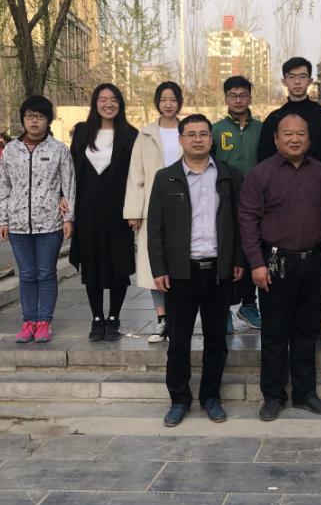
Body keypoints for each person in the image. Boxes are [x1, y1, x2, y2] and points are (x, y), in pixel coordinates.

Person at [148, 114, 245, 427]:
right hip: (181, 273)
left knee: (216, 340)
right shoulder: (166, 178)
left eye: (203, 134)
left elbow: (240, 222)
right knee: (178, 341)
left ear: (211, 138)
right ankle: (179, 399)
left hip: (217, 270)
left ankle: (211, 397)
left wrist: (237, 259)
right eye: (191, 134)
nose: (198, 139)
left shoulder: (229, 175)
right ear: (181, 140)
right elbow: (155, 228)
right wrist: (159, 268)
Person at [240, 114, 321, 421]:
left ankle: (306, 393)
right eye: (288, 134)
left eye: (300, 134)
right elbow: (248, 220)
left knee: (308, 331)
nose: (295, 139)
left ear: (309, 138)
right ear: (276, 139)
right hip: (275, 262)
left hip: (313, 261)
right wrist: (256, 264)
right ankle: (273, 395)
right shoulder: (260, 174)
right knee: (275, 333)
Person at [256, 56, 321, 342]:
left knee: (314, 265)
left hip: (317, 194)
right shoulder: (274, 119)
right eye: (291, 76)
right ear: (284, 81)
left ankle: (318, 318)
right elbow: (263, 161)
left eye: (302, 76)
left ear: (310, 81)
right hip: (282, 202)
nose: (297, 81)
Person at [0, 95, 75, 344]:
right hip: (18, 224)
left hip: (49, 224)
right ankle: (28, 321)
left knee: (46, 273)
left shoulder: (59, 150)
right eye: (30, 116)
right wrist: (2, 219)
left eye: (40, 117)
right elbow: (3, 186)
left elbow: (69, 185)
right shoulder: (10, 151)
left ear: (48, 121)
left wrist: (69, 217)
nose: (34, 121)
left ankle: (44, 322)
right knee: (27, 274)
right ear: (23, 119)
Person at [70, 83, 138, 342]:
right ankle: (97, 317)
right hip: (87, 209)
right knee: (92, 264)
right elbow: (71, 170)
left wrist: (135, 209)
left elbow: (136, 175)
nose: (108, 104)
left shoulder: (131, 135)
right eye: (103, 99)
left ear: (120, 104)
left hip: (119, 210)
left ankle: (114, 317)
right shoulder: (82, 132)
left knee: (118, 264)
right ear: (95, 103)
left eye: (114, 99)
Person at [125, 82, 184, 344]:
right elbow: (135, 174)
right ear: (157, 103)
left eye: (173, 99)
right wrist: (134, 211)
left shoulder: (188, 130)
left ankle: (179, 318)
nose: (168, 104)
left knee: (180, 263)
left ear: (179, 102)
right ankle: (162, 320)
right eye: (163, 99)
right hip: (153, 205)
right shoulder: (146, 134)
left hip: (183, 206)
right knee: (153, 265)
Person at [212, 75, 263, 332]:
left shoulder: (262, 129)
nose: (238, 100)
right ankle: (223, 310)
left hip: (256, 200)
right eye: (233, 95)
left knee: (253, 250)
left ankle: (249, 304)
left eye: (243, 95)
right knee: (225, 252)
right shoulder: (215, 129)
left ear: (250, 97)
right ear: (226, 98)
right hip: (224, 199)